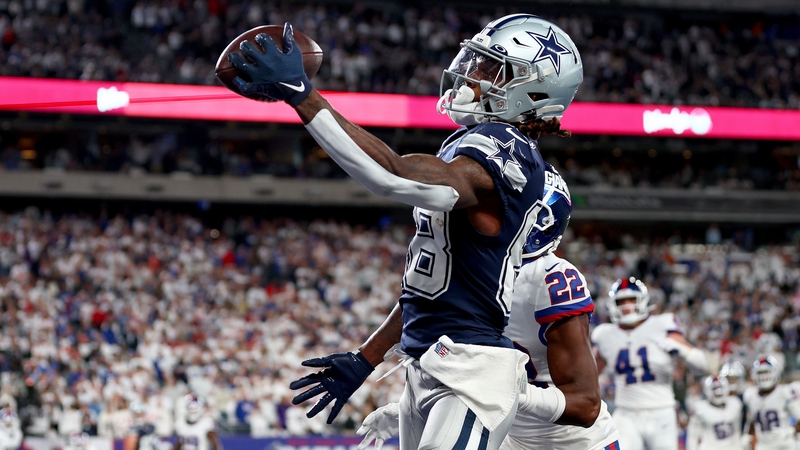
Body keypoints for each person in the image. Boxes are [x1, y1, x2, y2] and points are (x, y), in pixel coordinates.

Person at [226, 13, 583, 450]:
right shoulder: (470, 145)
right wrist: (366, 358)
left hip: (470, 372)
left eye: (491, 69)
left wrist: (303, 97)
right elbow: (429, 290)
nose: (471, 75)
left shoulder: (509, 152)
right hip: (429, 364)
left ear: (535, 90)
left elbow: (393, 176)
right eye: (475, 62)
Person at [355, 164, 620, 450]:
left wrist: (510, 392)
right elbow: (457, 359)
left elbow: (587, 405)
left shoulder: (550, 277)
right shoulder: (470, 264)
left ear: (537, 219)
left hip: (572, 443)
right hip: (508, 433)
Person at [591, 277, 710, 450]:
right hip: (626, 412)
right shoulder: (605, 334)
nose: (627, 305)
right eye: (621, 301)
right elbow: (590, 375)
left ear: (643, 301)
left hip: (661, 411)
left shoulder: (662, 324)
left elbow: (702, 366)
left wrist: (682, 351)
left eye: (632, 299)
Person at [742, 356, 800, 450]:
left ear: (775, 373)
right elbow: (752, 422)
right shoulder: (750, 395)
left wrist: (791, 430)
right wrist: (747, 436)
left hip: (785, 445)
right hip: (763, 445)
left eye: (767, 372)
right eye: (760, 373)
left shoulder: (784, 392)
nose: (764, 376)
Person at [685, 376, 744, 450]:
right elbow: (692, 437)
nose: (718, 393)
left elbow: (737, 432)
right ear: (707, 390)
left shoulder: (735, 404)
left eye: (720, 388)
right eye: (714, 389)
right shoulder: (700, 408)